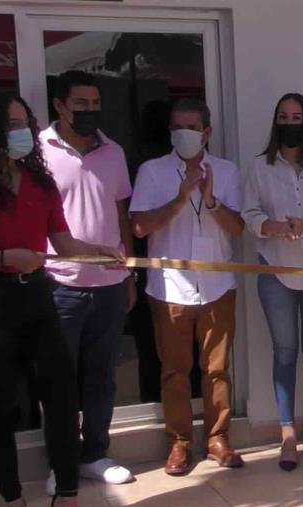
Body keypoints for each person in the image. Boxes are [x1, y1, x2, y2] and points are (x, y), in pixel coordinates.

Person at [0, 91, 125, 507]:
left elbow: (62, 242)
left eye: (24, 123)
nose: (21, 132)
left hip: (38, 297)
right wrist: (5, 255)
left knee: (62, 401)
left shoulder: (40, 182)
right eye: (11, 124)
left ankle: (68, 501)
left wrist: (98, 252)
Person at [130, 98, 245, 476]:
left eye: (192, 127)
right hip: (170, 288)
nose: (185, 134)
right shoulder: (153, 171)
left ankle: (217, 438)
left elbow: (238, 228)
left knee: (216, 369)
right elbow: (140, 227)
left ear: (207, 132)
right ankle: (179, 442)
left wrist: (209, 198)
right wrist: (181, 198)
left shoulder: (226, 171)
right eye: (178, 126)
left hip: (216, 285)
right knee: (174, 370)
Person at [40, 70, 136, 495]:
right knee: (60, 381)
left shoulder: (113, 151)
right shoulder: (39, 152)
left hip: (110, 284)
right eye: (81, 105)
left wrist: (129, 272)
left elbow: (121, 216)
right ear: (60, 106)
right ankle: (61, 463)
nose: (90, 112)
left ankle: (96, 454)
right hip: (59, 285)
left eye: (96, 105)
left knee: (102, 377)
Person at [242, 93, 303, 471]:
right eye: (283, 116)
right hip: (275, 268)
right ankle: (287, 435)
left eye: (296, 116)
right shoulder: (259, 166)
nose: (290, 122)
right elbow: (250, 214)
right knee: (284, 351)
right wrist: (273, 227)